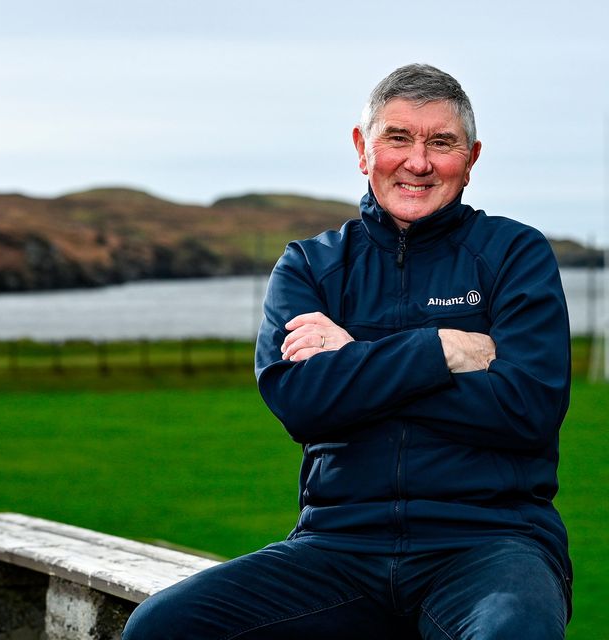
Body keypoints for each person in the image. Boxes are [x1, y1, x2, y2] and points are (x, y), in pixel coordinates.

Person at [124, 63, 573, 639]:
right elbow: (302, 402)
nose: (418, 162)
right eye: (398, 138)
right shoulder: (310, 265)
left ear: (472, 158)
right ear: (363, 148)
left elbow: (525, 409)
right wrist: (438, 350)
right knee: (161, 628)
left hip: (490, 544)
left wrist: (353, 361)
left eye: (441, 142)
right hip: (337, 545)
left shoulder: (515, 254)